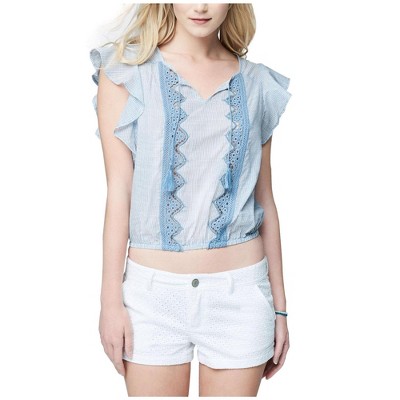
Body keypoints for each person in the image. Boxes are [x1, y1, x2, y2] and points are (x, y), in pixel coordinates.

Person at [89, 3, 292, 397]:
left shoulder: (257, 84)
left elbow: (265, 200)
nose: (200, 6)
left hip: (240, 295)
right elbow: (119, 192)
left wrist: (280, 308)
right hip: (151, 298)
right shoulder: (126, 74)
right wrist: (110, 301)